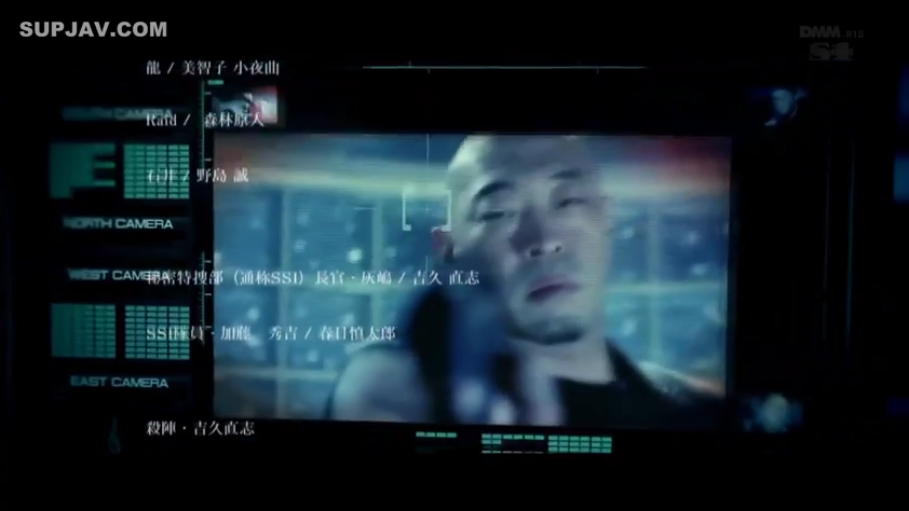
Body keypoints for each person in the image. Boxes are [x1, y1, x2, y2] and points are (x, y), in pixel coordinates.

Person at [328, 135, 722, 428]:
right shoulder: (402, 400)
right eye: (498, 212)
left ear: (607, 216)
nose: (544, 240)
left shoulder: (692, 411)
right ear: (449, 249)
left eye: (568, 200)